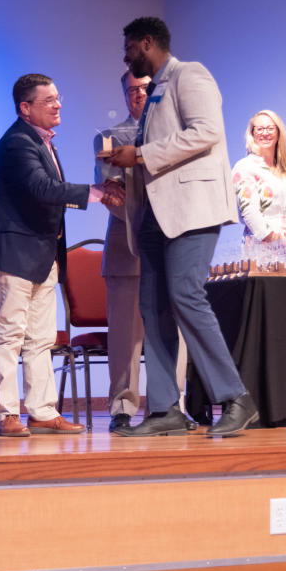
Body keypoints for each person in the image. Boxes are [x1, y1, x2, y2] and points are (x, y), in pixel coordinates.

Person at [108, 16, 257, 437]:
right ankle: (164, 410)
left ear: (148, 43)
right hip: (155, 212)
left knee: (185, 295)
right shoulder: (155, 89)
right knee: (152, 306)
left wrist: (138, 155)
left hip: (193, 209)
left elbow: (207, 132)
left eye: (130, 47)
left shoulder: (190, 75)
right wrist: (129, 160)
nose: (125, 56)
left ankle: (235, 397)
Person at [0, 73, 123, 437]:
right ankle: (5, 414)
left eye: (58, 98)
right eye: (49, 100)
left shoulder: (43, 143)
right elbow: (42, 188)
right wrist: (95, 192)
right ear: (25, 108)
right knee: (10, 335)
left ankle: (42, 411)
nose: (58, 105)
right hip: (14, 254)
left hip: (43, 256)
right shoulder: (17, 143)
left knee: (42, 338)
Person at [94, 71, 188, 431]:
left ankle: (171, 407)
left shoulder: (178, 138)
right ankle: (121, 407)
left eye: (145, 89)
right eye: (132, 90)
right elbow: (112, 195)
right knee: (125, 338)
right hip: (128, 247)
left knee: (171, 332)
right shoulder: (109, 138)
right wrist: (146, 221)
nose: (139, 95)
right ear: (124, 95)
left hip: (172, 247)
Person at [231, 110, 286, 246]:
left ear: (278, 133)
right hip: (262, 247)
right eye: (260, 129)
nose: (265, 133)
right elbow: (248, 212)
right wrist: (275, 240)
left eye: (270, 128)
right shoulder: (245, 167)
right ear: (252, 133)